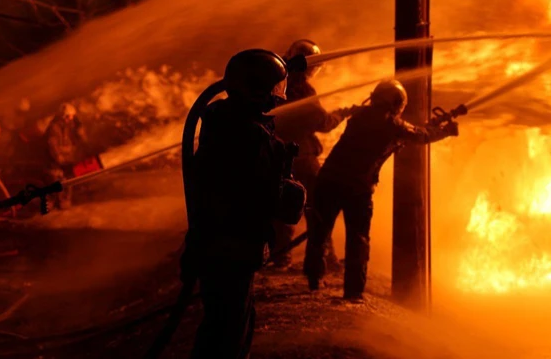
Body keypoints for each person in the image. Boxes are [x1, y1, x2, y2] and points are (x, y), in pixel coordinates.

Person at [183, 49, 306, 359]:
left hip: (210, 244)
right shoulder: (253, 139)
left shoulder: (219, 118)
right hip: (234, 247)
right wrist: (294, 190)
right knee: (229, 336)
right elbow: (273, 202)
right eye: (275, 90)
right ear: (257, 90)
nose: (278, 99)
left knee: (219, 328)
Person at [303, 80, 458, 301]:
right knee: (358, 238)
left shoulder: (361, 117)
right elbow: (420, 135)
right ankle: (353, 292)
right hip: (357, 189)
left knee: (320, 232)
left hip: (328, 181)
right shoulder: (392, 125)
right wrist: (445, 131)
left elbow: (406, 131)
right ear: (397, 103)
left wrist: (429, 127)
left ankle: (313, 279)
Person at [272, 39, 353, 269]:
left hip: (277, 157)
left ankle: (280, 258)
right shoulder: (303, 90)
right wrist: (342, 113)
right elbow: (322, 121)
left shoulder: (276, 84)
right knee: (319, 207)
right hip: (302, 158)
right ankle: (325, 257)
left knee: (281, 208)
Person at [44, 102, 87, 208]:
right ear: (63, 116)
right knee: (58, 179)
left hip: (66, 158)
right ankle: (56, 201)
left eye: (72, 116)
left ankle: (64, 201)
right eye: (69, 116)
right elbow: (52, 144)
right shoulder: (54, 127)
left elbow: (74, 140)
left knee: (68, 179)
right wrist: (58, 157)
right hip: (56, 160)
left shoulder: (68, 126)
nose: (71, 119)